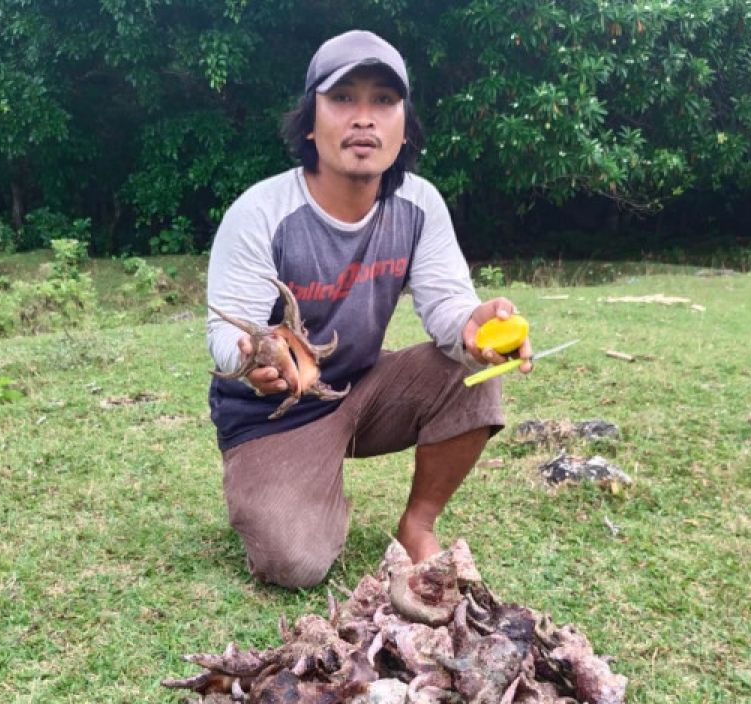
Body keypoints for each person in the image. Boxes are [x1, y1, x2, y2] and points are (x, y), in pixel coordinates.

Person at [206, 29, 532, 588]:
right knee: (294, 563)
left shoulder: (418, 205)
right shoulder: (261, 212)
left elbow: (448, 303)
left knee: (473, 371)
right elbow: (226, 327)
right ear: (311, 120)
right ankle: (301, 485)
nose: (364, 118)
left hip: (361, 387)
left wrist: (474, 326)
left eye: (383, 100)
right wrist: (251, 358)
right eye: (343, 99)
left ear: (404, 126)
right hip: (272, 416)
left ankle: (417, 524)